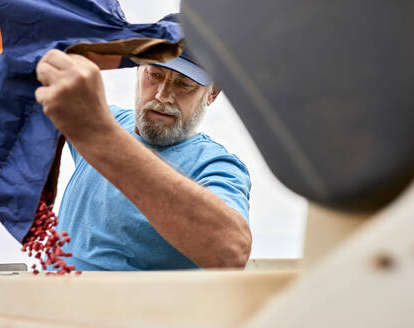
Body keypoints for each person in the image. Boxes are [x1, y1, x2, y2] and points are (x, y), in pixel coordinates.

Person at [35, 14, 252, 271]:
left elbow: (231, 250)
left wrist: (103, 138)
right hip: (47, 302)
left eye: (184, 84)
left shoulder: (215, 165)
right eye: (155, 74)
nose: (163, 96)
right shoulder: (103, 120)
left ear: (212, 94)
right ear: (138, 69)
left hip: (125, 310)